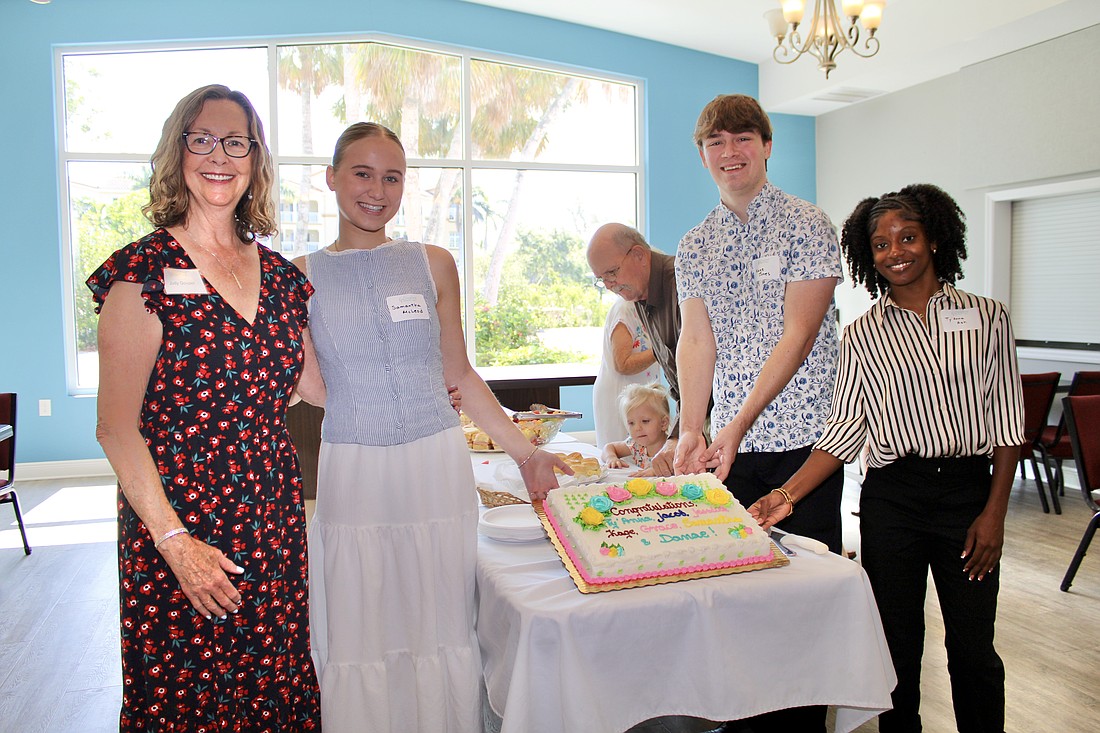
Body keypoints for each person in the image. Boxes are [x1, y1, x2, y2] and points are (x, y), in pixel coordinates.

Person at [295, 122, 569, 733]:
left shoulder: (433, 263)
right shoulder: (299, 274)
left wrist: (526, 455)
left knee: (441, 614)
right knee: (361, 615)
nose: (377, 191)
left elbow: (461, 374)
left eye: (392, 177)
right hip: (355, 466)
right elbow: (303, 383)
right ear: (333, 177)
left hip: (434, 464)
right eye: (362, 174)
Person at [88, 85, 321, 731]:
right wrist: (174, 542)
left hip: (272, 516)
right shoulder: (143, 271)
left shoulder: (281, 277)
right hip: (178, 524)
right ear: (178, 150)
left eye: (236, 141)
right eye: (202, 138)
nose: (220, 155)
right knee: (188, 694)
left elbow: (316, 385)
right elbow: (115, 427)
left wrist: (416, 388)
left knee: (272, 680)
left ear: (255, 157)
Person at [750, 184, 1024, 733]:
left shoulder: (987, 317)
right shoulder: (863, 333)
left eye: (907, 237)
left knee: (974, 648)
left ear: (935, 239)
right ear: (866, 254)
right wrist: (784, 497)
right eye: (880, 244)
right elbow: (844, 430)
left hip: (968, 497)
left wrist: (995, 512)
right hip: (893, 498)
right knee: (896, 645)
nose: (895, 251)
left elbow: (1008, 422)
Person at [674, 94, 845, 556]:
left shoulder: (808, 225)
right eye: (716, 142)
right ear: (702, 154)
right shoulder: (694, 245)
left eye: (743, 139)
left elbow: (800, 334)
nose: (730, 152)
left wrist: (736, 424)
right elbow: (694, 339)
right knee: (738, 569)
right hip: (729, 448)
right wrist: (692, 426)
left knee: (810, 571)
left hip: (805, 438)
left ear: (767, 146)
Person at [587, 223, 710, 475]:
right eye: (602, 280)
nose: (610, 285)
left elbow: (702, 371)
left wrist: (679, 434)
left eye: (612, 272)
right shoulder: (638, 294)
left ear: (639, 255)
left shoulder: (680, 282)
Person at [592, 297, 659, 449]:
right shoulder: (625, 309)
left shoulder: (648, 306)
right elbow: (623, 364)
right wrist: (662, 348)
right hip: (622, 396)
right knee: (622, 457)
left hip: (642, 397)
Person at [602, 382, 672, 470]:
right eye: (631, 423)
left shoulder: (672, 447)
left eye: (645, 421)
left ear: (663, 423)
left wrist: (655, 471)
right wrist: (611, 458)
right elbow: (608, 447)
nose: (637, 428)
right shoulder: (636, 446)